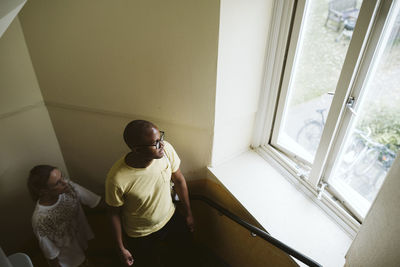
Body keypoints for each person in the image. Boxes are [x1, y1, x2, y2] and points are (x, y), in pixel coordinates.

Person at [106, 120, 194, 267]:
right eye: (156, 143)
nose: (163, 145)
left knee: (184, 254)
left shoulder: (166, 151)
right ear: (137, 150)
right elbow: (113, 213)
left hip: (170, 218)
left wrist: (189, 212)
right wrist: (120, 247)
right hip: (140, 234)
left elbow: (178, 180)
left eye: (161, 138)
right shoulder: (117, 178)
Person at [28, 165, 101, 267]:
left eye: (62, 177)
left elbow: (95, 201)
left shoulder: (69, 188)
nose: (65, 182)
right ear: (44, 192)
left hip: (87, 246)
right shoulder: (40, 219)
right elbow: (51, 255)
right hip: (71, 262)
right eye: (58, 183)